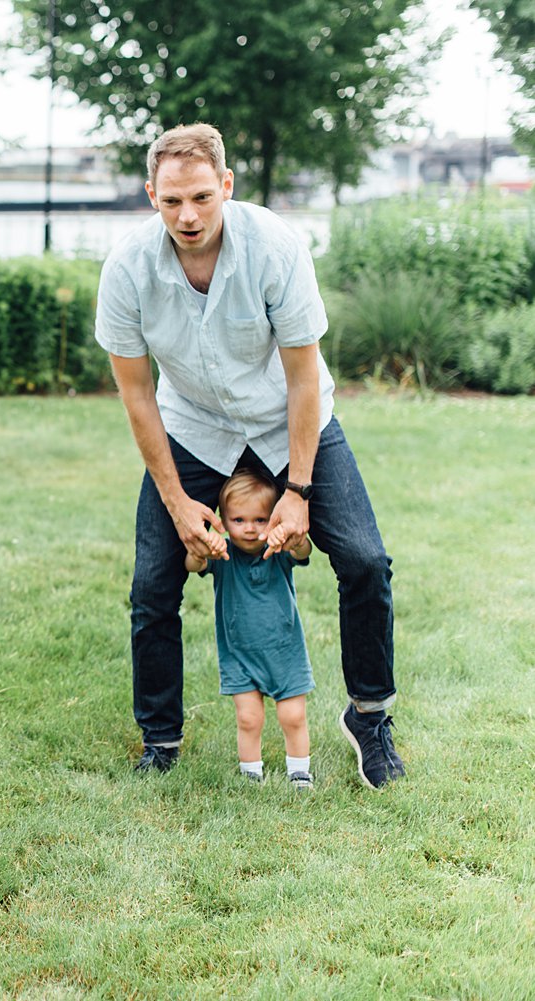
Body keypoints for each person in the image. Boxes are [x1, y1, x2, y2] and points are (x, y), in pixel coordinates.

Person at [95, 123, 404, 787]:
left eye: (202, 197)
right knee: (152, 584)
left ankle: (370, 717)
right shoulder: (126, 269)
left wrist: (297, 489)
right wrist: (179, 502)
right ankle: (161, 738)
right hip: (194, 426)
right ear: (151, 193)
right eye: (172, 200)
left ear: (226, 186)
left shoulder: (275, 248)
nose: (187, 215)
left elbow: (301, 380)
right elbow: (138, 396)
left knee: (363, 558)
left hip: (288, 420)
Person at [185, 470, 315, 789]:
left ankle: (299, 772)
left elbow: (304, 551)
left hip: (285, 651)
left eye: (260, 519)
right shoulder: (223, 555)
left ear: (273, 519)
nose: (250, 528)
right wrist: (202, 547)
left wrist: (292, 538)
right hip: (239, 654)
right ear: (224, 521)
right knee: (248, 718)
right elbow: (193, 565)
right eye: (239, 520)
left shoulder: (278, 551)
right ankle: (250, 774)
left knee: (293, 716)